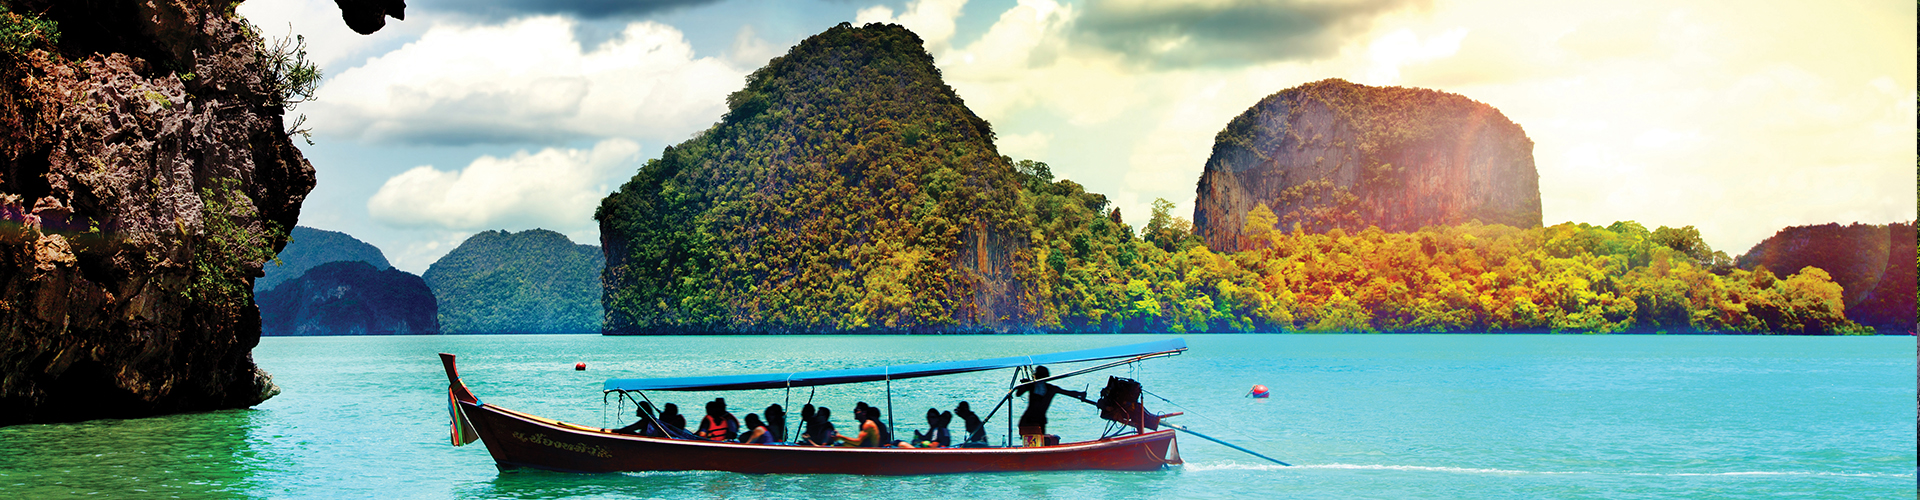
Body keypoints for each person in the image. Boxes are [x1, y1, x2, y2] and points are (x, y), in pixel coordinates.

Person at [1013, 365, 1085, 446]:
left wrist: (1081, 394)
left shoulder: (1050, 388)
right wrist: (1025, 384)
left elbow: (1068, 392)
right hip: (1028, 421)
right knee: (1033, 444)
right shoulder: (1032, 386)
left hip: (1039, 422)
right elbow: (1018, 393)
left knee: (1037, 444)